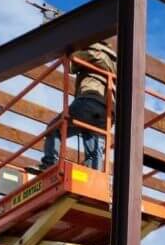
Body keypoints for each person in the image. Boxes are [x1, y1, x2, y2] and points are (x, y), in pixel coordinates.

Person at [39, 41, 117, 171]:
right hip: (108, 111)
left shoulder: (92, 51)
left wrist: (69, 49)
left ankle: (49, 165)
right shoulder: (115, 62)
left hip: (88, 101)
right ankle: (95, 177)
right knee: (94, 147)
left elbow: (70, 65)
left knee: (53, 129)